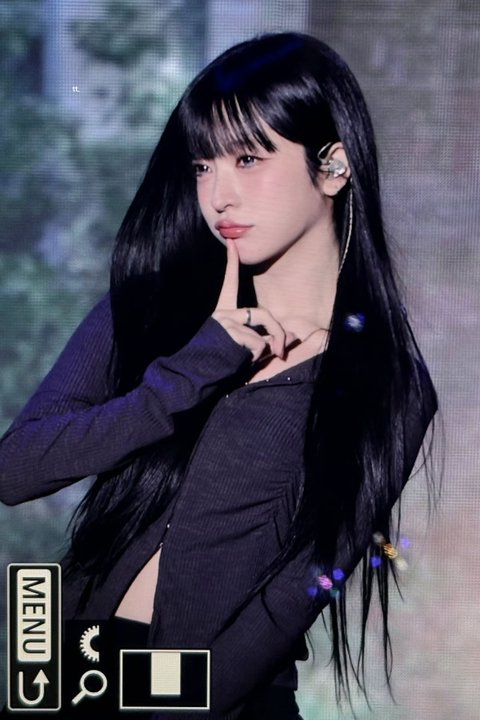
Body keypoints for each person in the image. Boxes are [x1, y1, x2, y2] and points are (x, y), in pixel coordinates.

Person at [0, 32, 436, 719]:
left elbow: (292, 599)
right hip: (79, 675)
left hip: (227, 701)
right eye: (203, 165)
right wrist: (189, 373)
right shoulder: (150, 310)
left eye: (248, 159)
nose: (218, 194)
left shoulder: (386, 384)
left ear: (334, 166)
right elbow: (16, 470)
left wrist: (163, 705)